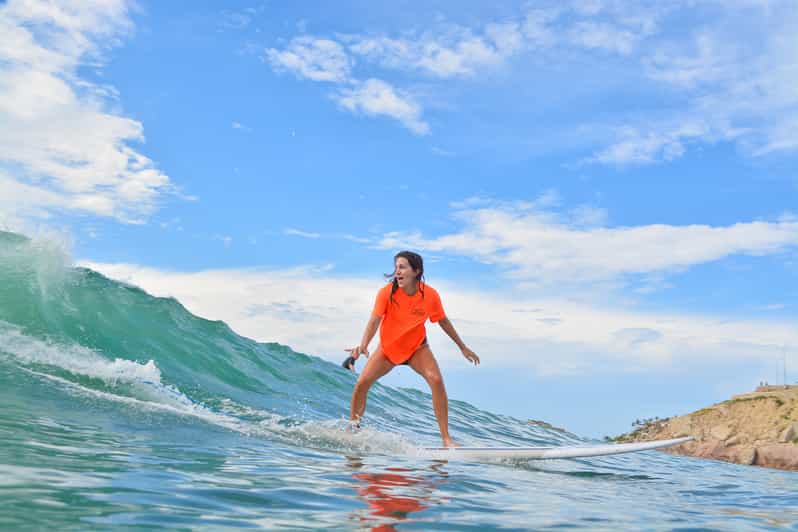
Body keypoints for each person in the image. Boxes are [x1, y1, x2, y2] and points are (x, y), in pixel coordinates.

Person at [345, 251, 480, 447]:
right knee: (362, 383)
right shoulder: (386, 293)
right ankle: (353, 429)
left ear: (416, 271)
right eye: (396, 267)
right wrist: (364, 345)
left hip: (416, 348)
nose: (397, 272)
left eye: (402, 267)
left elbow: (442, 321)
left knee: (436, 380)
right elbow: (374, 321)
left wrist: (463, 347)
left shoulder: (430, 295)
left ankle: (446, 439)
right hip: (389, 348)